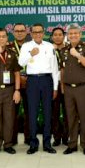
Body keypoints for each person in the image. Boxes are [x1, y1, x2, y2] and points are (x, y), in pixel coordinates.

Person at [18, 23, 59, 154]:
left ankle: (47, 143)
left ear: (43, 33)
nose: (37, 34)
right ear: (31, 33)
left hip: (47, 80)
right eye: (35, 32)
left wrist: (55, 88)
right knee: (32, 113)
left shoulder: (49, 46)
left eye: (40, 32)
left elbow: (55, 68)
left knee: (48, 113)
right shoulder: (26, 46)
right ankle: (33, 143)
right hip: (33, 81)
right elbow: (20, 63)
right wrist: (31, 54)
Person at [60, 24, 85, 155]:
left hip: (83, 88)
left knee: (84, 117)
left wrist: (77, 55)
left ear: (80, 35)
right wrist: (63, 87)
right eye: (70, 34)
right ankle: (72, 144)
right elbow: (62, 70)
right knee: (71, 118)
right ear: (67, 36)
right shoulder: (64, 50)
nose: (73, 35)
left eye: (76, 33)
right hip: (68, 89)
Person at [9, 23, 30, 146]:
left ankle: (29, 138)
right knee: (12, 113)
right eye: (17, 31)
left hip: (29, 82)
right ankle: (12, 139)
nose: (19, 33)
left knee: (29, 112)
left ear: (26, 32)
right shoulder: (8, 47)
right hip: (13, 84)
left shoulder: (31, 46)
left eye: (22, 30)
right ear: (13, 32)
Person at [50, 27, 68, 147]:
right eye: (55, 35)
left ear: (63, 36)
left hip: (67, 85)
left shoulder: (69, 49)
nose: (57, 37)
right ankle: (56, 137)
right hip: (53, 85)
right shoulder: (48, 49)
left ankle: (66, 137)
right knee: (54, 113)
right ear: (52, 37)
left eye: (60, 34)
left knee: (68, 113)